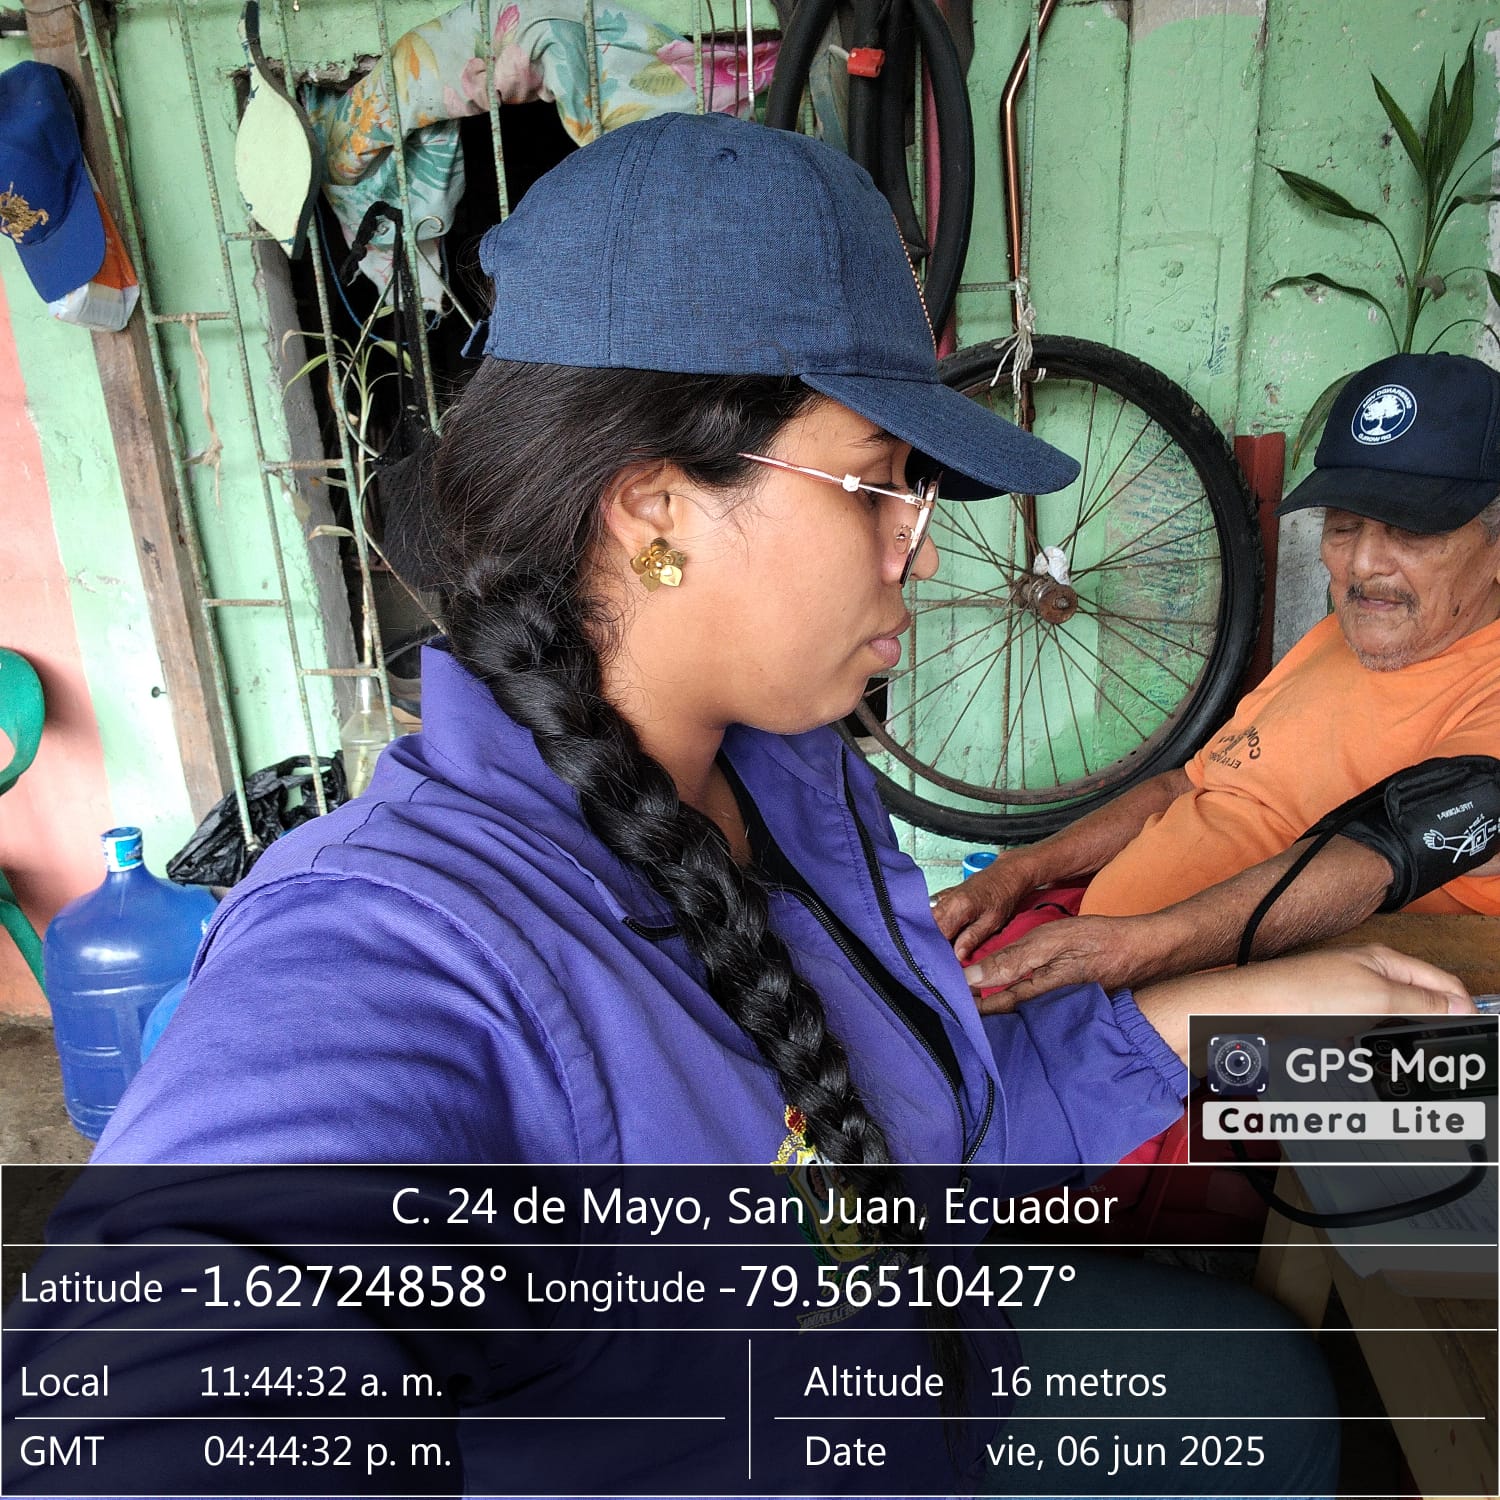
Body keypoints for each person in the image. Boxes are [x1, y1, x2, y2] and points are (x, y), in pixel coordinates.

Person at [61, 115, 1469, 1495]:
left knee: (1272, 1400)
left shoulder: (789, 789)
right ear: (655, 511)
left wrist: (1216, 1017)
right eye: (875, 485)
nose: (919, 551)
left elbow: (916, 1154)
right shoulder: (399, 940)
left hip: (916, 1375)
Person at [939, 351, 1500, 1005]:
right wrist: (1022, 870)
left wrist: (1142, 946)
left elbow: (1372, 858)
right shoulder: (1343, 639)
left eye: (1410, 532)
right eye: (1344, 526)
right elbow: (1191, 784)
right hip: (1107, 955)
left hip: (1237, 1017)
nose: (1364, 563)